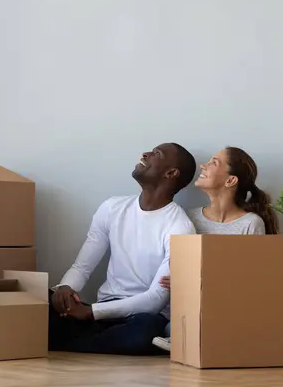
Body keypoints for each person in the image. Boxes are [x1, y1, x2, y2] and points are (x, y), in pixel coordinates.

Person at [48, 143, 197, 355]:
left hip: (140, 315)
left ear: (170, 173)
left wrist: (91, 312)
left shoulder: (180, 227)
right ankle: (86, 341)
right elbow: (82, 267)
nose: (145, 154)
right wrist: (64, 287)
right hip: (105, 308)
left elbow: (155, 299)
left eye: (157, 153)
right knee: (41, 304)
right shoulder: (112, 208)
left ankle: (66, 342)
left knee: (143, 333)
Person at [152, 146, 279, 352]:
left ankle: (197, 340)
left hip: (227, 308)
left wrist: (200, 282)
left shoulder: (251, 224)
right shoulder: (188, 218)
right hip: (186, 309)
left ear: (231, 180)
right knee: (170, 327)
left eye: (214, 162)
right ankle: (194, 339)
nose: (204, 165)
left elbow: (250, 282)